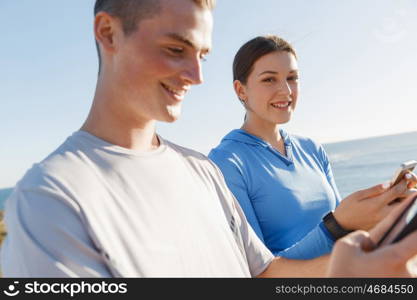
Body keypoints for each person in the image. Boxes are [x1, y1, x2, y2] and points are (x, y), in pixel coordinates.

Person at [0, 0, 416, 278]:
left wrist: (361, 266)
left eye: (202, 56)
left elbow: (266, 275)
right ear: (108, 34)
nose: (197, 77)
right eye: (175, 49)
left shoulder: (201, 171)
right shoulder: (50, 197)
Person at [208, 35, 417, 259]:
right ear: (241, 90)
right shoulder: (225, 162)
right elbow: (256, 270)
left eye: (292, 78)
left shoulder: (311, 149)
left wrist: (386, 211)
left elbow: (345, 234)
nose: (286, 91)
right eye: (269, 79)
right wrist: (335, 226)